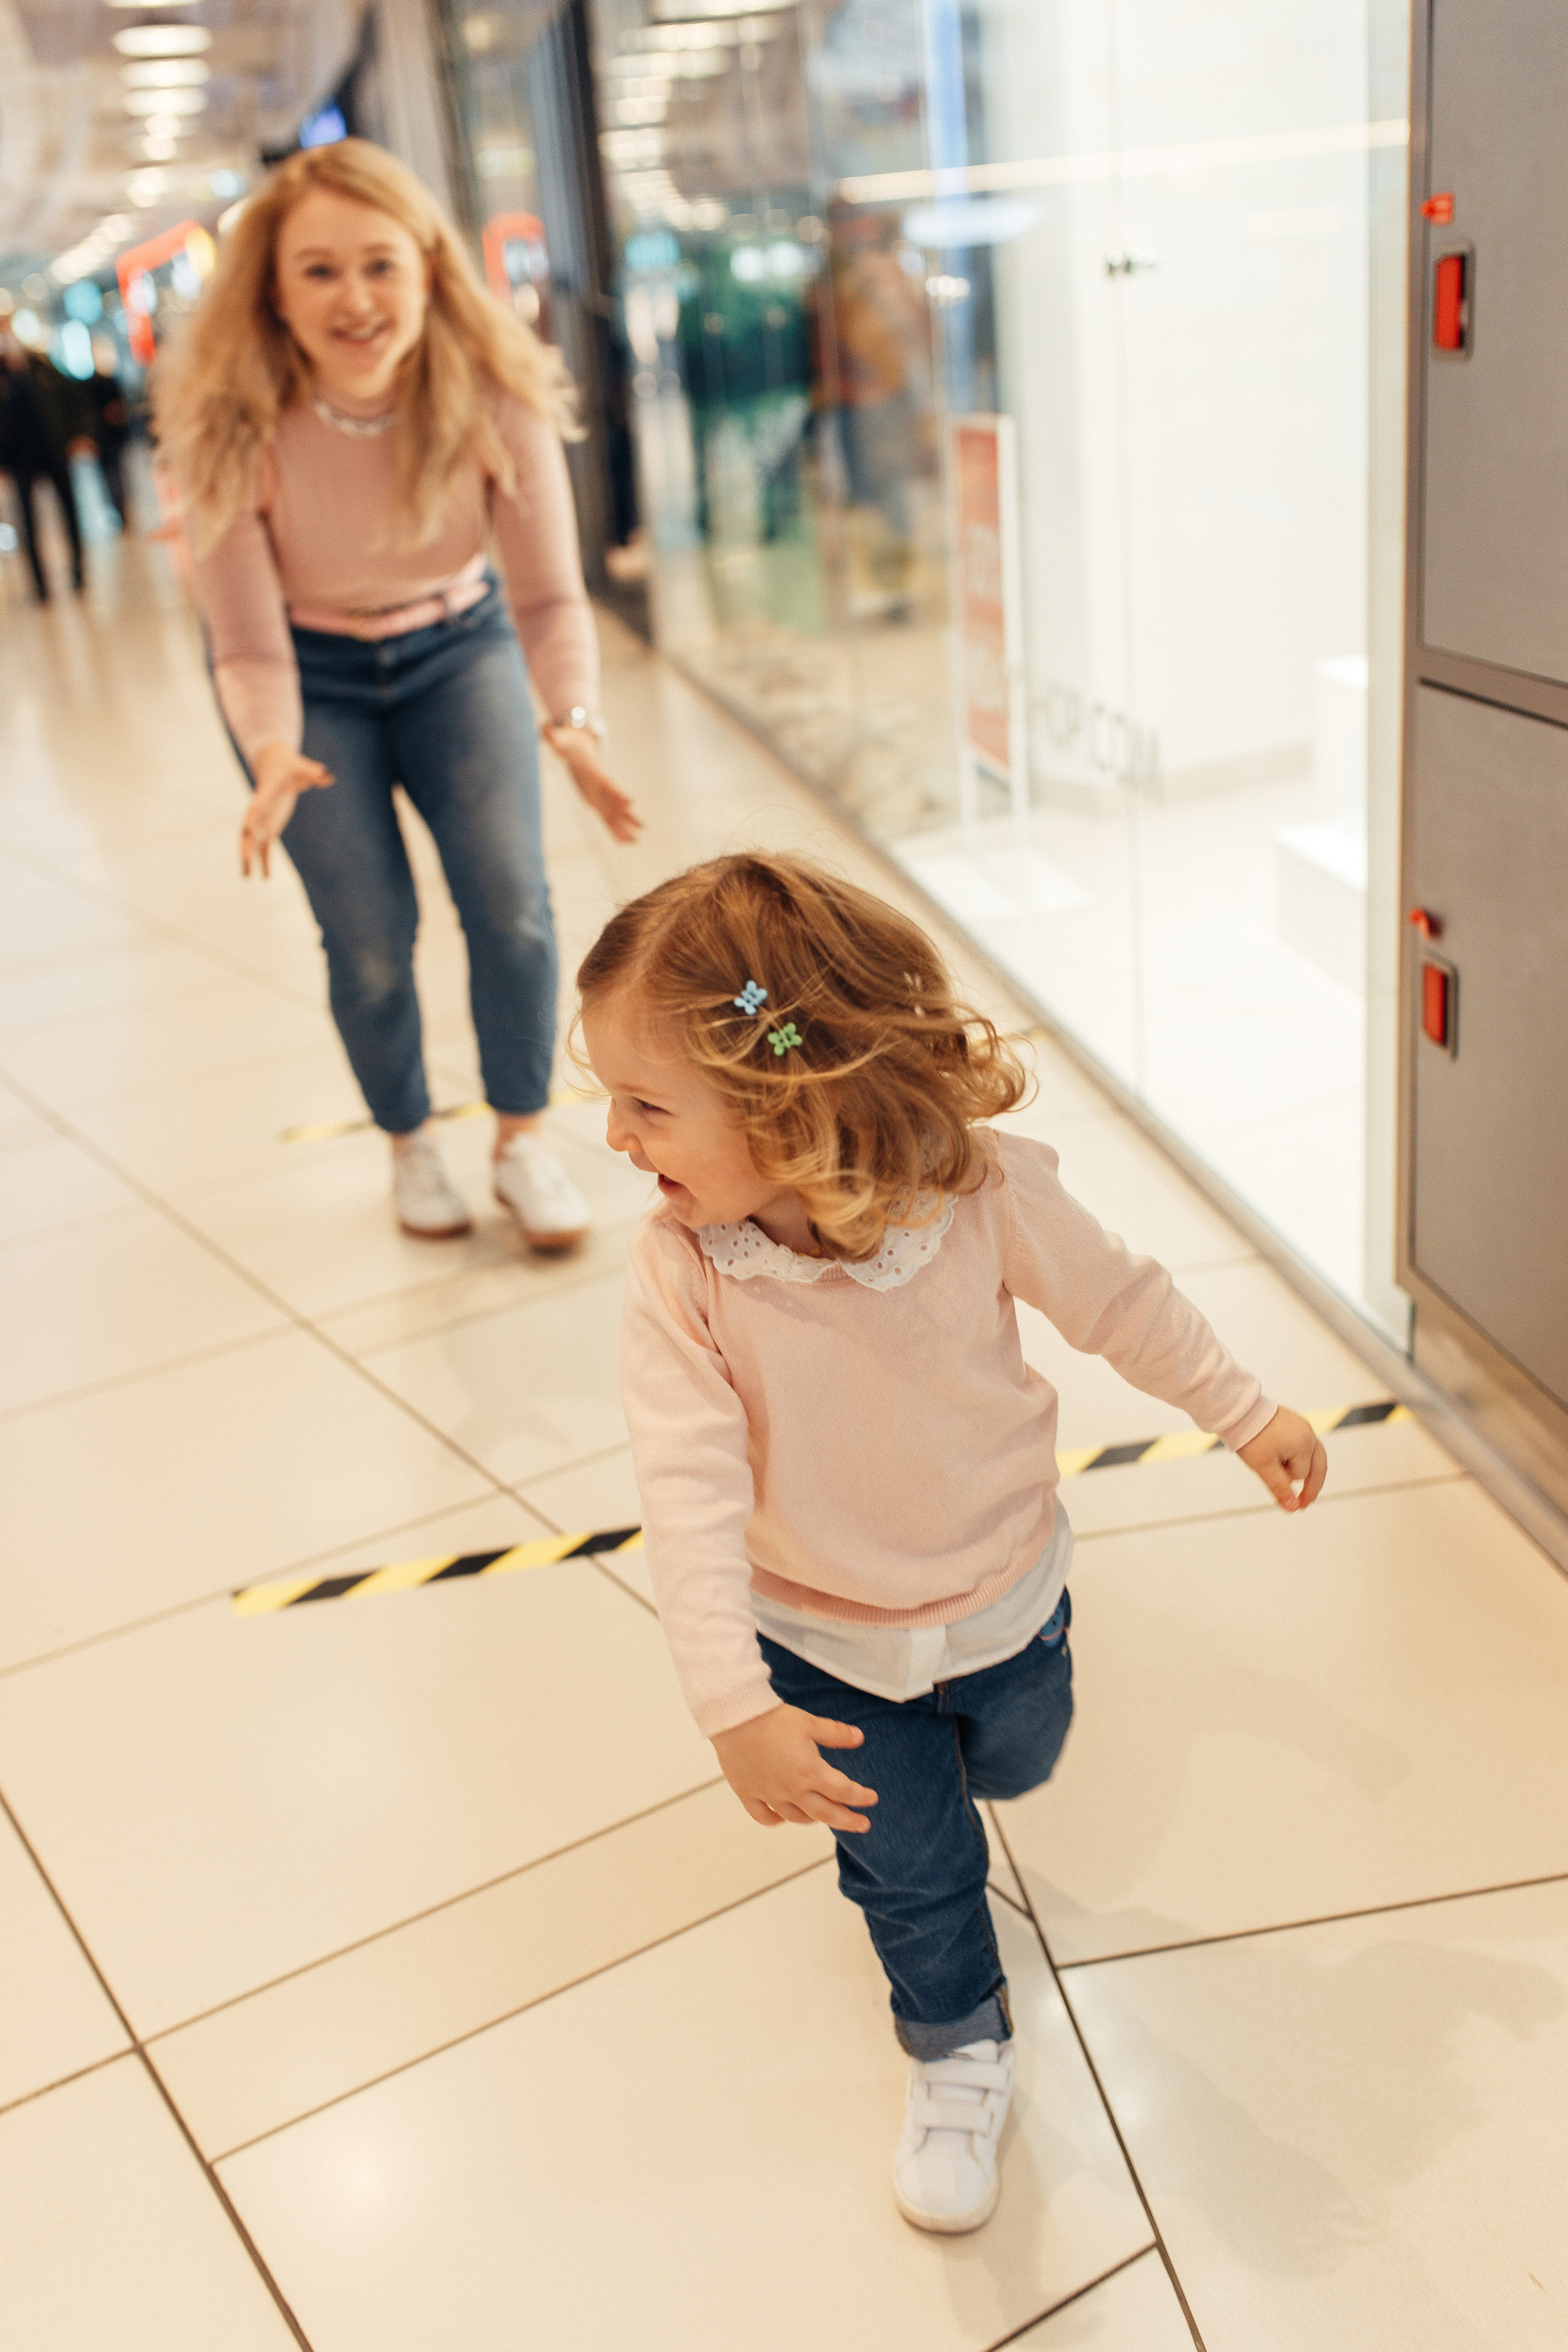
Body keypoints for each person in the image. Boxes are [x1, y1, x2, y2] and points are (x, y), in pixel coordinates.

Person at [579, 853, 1329, 2235]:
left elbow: (1122, 1304)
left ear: (786, 1104)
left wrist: (1241, 1407)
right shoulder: (684, 1266)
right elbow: (681, 1491)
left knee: (1022, 1752)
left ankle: (978, 1762)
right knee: (915, 1875)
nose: (617, 1140)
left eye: (643, 1106)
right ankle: (956, 2048)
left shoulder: (976, 1194)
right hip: (817, 1643)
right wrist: (730, 1706)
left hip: (1006, 1595)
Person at [154, 139, 639, 1246]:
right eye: (318, 270)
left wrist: (571, 718)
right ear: (273, 292)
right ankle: (408, 1141)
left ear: (428, 268)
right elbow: (245, 646)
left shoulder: (493, 397)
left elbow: (552, 601)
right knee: (369, 934)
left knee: (513, 906)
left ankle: (520, 1143)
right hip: (306, 674)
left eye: (381, 264)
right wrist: (271, 749)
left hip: (456, 647)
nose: (356, 298)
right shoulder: (226, 425)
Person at [0, 319, 92, 600]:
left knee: (70, 513)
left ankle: (78, 573)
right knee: (28, 522)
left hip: (53, 451)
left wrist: (79, 434)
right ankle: (40, 585)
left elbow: (74, 398)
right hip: (19, 459)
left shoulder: (42, 365)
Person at [84, 337, 133, 527]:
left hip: (111, 438)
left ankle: (121, 508)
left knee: (115, 475)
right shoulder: (93, 385)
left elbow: (121, 409)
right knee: (111, 476)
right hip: (104, 439)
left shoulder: (109, 382)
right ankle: (118, 509)